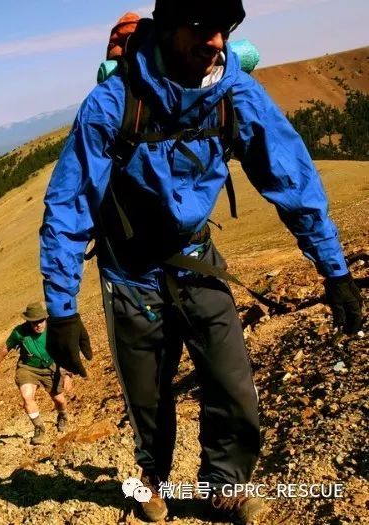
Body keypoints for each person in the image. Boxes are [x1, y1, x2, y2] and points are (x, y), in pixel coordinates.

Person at [39, 0, 363, 523]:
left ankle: (224, 488)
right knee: (148, 396)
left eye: (223, 30)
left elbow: (293, 183)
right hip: (130, 274)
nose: (214, 42)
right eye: (199, 28)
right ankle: (152, 480)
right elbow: (70, 205)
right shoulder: (112, 105)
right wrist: (60, 307)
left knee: (232, 381)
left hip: (196, 258)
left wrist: (335, 272)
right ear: (167, 29)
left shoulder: (236, 96)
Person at [0, 301, 72, 444]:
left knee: (59, 400)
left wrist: (68, 375)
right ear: (28, 321)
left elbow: (67, 351)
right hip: (28, 368)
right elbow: (5, 347)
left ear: (45, 319)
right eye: (34, 322)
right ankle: (39, 427)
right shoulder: (19, 332)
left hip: (51, 368)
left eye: (40, 321)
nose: (38, 325)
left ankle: (62, 416)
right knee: (26, 396)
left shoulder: (55, 330)